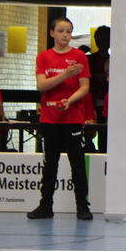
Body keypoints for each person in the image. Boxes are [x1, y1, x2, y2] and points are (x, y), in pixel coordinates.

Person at [28, 17, 93, 221]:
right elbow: (41, 85)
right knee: (50, 163)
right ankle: (45, 205)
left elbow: (85, 87)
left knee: (77, 163)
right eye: (61, 31)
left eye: (69, 31)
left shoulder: (79, 56)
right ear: (52, 33)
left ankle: (82, 206)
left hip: (73, 117)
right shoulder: (44, 57)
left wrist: (69, 100)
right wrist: (65, 75)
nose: (65, 35)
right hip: (50, 118)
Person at [87, 26, 110, 122]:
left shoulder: (116, 60)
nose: (105, 43)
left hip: (108, 102)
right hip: (91, 101)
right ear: (96, 41)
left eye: (107, 39)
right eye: (102, 40)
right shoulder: (88, 60)